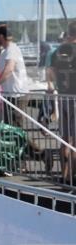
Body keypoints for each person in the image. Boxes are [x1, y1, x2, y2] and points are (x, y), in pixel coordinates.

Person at [47, 21, 76, 184]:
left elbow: (51, 71)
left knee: (64, 138)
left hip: (63, 96)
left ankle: (64, 174)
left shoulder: (59, 50)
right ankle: (71, 177)